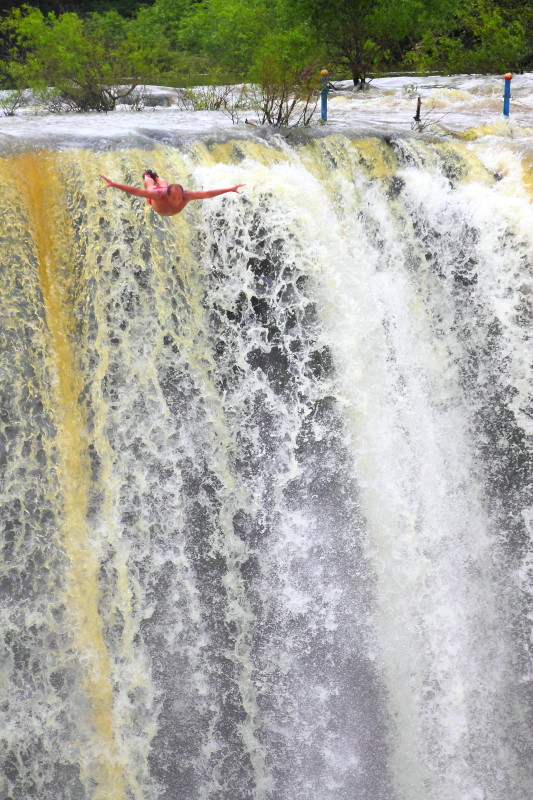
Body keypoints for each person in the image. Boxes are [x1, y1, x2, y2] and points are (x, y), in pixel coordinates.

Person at [100, 170, 245, 217]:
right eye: (174, 197)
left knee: (163, 183)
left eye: (179, 197)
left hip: (165, 190)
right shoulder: (160, 195)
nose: (177, 201)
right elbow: (137, 192)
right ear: (167, 195)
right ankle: (147, 175)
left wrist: (230, 189)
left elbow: (207, 193)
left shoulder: (187, 195)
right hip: (156, 200)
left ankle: (157, 177)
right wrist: (114, 184)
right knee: (150, 187)